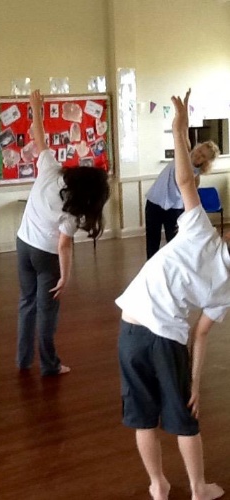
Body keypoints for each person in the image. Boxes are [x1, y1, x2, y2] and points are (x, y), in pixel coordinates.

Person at [116, 89, 226, 500]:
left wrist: (180, 128)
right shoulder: (227, 287)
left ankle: (158, 485)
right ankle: (198, 488)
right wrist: (194, 383)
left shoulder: (201, 230)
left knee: (143, 417)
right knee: (183, 417)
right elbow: (201, 333)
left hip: (130, 326)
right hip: (166, 337)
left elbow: (183, 179)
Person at [16, 89, 110, 376]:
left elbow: (39, 137)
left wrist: (35, 107)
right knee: (47, 311)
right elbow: (64, 245)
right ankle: (49, 365)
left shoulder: (50, 169)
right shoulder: (73, 210)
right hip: (46, 255)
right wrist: (65, 277)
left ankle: (22, 360)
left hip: (23, 245)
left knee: (27, 303)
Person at [145, 137, 219, 259]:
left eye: (203, 156)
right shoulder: (183, 154)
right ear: (197, 147)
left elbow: (188, 198)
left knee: (173, 242)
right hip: (155, 201)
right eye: (200, 151)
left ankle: (173, 266)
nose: (199, 155)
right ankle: (151, 266)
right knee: (152, 240)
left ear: (206, 162)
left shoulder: (196, 176)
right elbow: (182, 134)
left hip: (174, 208)